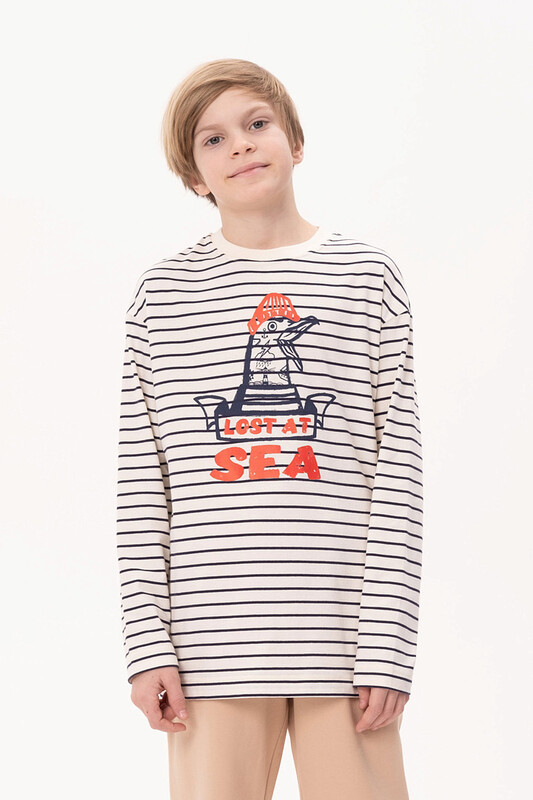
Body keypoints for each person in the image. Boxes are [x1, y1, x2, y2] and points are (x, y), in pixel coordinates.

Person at [116, 58, 424, 800]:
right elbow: (142, 484)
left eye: (257, 123)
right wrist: (147, 643)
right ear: (193, 175)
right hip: (208, 646)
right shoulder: (163, 295)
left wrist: (387, 642)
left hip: (345, 644)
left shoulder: (367, 278)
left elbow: (399, 474)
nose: (242, 145)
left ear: (295, 140)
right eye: (213, 139)